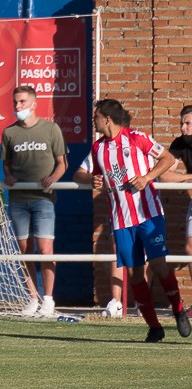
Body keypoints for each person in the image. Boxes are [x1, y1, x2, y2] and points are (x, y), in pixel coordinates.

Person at [73, 98, 191, 342]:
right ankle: (154, 327)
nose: (94, 121)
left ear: (107, 118)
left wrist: (147, 177)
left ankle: (179, 310)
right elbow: (80, 174)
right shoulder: (98, 148)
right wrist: (90, 180)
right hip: (121, 220)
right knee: (135, 273)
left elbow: (167, 159)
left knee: (158, 265)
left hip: (149, 214)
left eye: (96, 117)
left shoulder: (137, 138)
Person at [1, 84, 67, 317]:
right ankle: (32, 297)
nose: (18, 106)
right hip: (18, 200)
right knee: (24, 250)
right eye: (15, 102)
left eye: (22, 102)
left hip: (43, 199)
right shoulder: (9, 132)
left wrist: (53, 178)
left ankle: (48, 299)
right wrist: (9, 176)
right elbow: (7, 164)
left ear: (34, 103)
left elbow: (62, 163)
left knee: (45, 249)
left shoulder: (51, 129)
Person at [165, 105, 192, 293]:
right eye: (181, 123)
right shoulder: (179, 143)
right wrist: (188, 178)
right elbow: (164, 175)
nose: (183, 128)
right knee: (190, 248)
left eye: (188, 123)